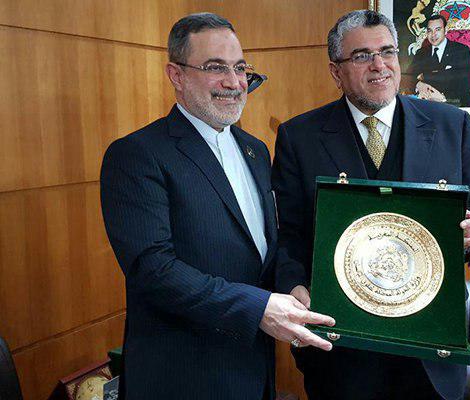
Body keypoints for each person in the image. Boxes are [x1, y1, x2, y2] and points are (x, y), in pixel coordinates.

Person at [100, 13, 334, 400]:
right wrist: (258, 308)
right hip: (183, 378)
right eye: (215, 68)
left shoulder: (256, 150)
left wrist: (292, 285)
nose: (234, 82)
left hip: (254, 371)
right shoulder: (137, 155)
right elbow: (153, 270)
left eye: (240, 68)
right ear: (176, 75)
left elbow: (264, 250)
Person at [272, 9, 470, 400]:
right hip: (341, 353)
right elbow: (287, 233)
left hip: (430, 350)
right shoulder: (299, 137)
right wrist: (293, 285)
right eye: (362, 55)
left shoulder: (452, 124)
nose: (379, 65)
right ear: (336, 71)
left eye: (387, 52)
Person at [406, 14, 470, 107]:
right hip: (427, 104)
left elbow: (467, 83)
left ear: (445, 30)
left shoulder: (461, 50)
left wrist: (443, 97)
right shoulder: (421, 53)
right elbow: (408, 77)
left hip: (456, 103)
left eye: (438, 29)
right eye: (430, 31)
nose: (433, 34)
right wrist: (418, 84)